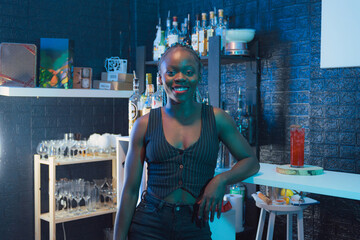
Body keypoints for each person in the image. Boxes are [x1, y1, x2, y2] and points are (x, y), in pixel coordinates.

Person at [114, 43, 260, 240]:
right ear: (160, 78)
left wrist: (221, 179)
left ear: (199, 76)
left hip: (194, 225)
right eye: (171, 72)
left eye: (189, 72)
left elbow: (251, 161)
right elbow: (130, 191)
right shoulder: (144, 125)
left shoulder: (217, 120)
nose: (180, 78)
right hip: (148, 224)